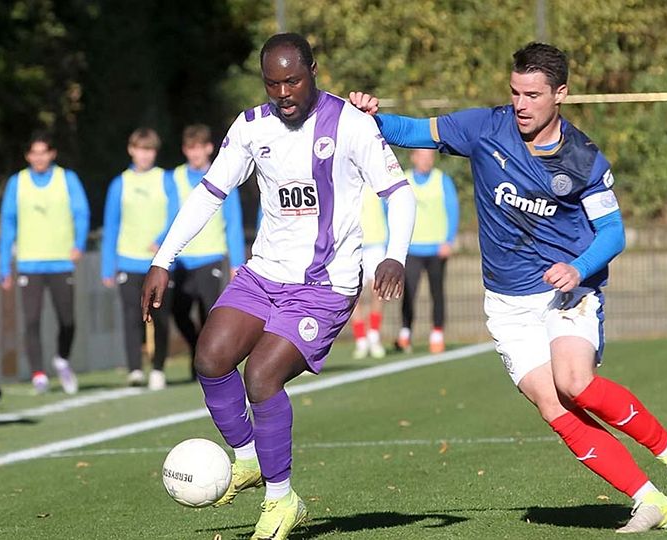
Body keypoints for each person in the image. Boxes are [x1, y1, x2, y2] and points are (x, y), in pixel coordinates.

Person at [350, 42, 667, 533]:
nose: (521, 104)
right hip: (505, 302)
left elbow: (613, 233)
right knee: (553, 404)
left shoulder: (581, 158)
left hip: (565, 291)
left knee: (574, 382)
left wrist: (578, 268)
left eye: (534, 95)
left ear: (560, 94)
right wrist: (371, 117)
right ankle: (649, 500)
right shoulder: (485, 127)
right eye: (516, 92)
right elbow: (414, 131)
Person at [142, 33, 416, 540]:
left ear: (313, 70)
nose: (284, 92)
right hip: (263, 274)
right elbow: (209, 193)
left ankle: (281, 498)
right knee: (210, 358)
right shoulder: (250, 127)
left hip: (325, 285)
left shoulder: (351, 124)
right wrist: (163, 259)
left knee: (262, 376)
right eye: (273, 84)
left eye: (293, 80)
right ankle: (247, 459)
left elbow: (399, 194)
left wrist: (395, 256)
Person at [0, 131, 88, 395]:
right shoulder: (18, 182)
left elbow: (81, 213)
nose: (39, 158)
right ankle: (38, 374)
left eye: (43, 152)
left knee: (67, 320)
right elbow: (7, 225)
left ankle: (61, 360)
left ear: (52, 154)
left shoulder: (67, 179)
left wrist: (78, 244)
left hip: (61, 261)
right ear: (28, 156)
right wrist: (5, 267)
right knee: (32, 321)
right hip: (29, 263)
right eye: (33, 153)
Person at [101, 128, 178, 388]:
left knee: (161, 317)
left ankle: (158, 368)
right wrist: (107, 266)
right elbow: (111, 225)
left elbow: (177, 216)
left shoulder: (165, 180)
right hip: (127, 260)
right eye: (140, 149)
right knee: (131, 316)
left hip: (159, 263)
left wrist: (161, 241)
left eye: (149, 150)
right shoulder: (119, 183)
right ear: (131, 150)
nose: (144, 155)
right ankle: (135, 369)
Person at [170, 124, 246, 384]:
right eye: (190, 149)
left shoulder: (222, 174)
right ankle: (196, 348)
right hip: (181, 259)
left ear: (209, 149)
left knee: (208, 314)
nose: (195, 154)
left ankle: (207, 364)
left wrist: (236, 261)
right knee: (178, 312)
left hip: (211, 255)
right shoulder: (175, 177)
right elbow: (171, 215)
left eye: (199, 148)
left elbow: (233, 221)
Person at [395, 148, 459, 354]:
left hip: (436, 248)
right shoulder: (403, 179)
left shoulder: (442, 180)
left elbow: (452, 210)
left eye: (430, 157)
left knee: (437, 292)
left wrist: (448, 240)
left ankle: (437, 334)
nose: (426, 161)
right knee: (408, 293)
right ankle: (405, 332)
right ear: (413, 158)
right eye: (422, 157)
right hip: (412, 247)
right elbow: (391, 210)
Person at [350, 189, 388, 359]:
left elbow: (388, 211)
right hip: (352, 244)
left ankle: (374, 335)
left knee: (377, 289)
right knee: (352, 293)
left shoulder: (375, 183)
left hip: (376, 243)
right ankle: (360, 339)